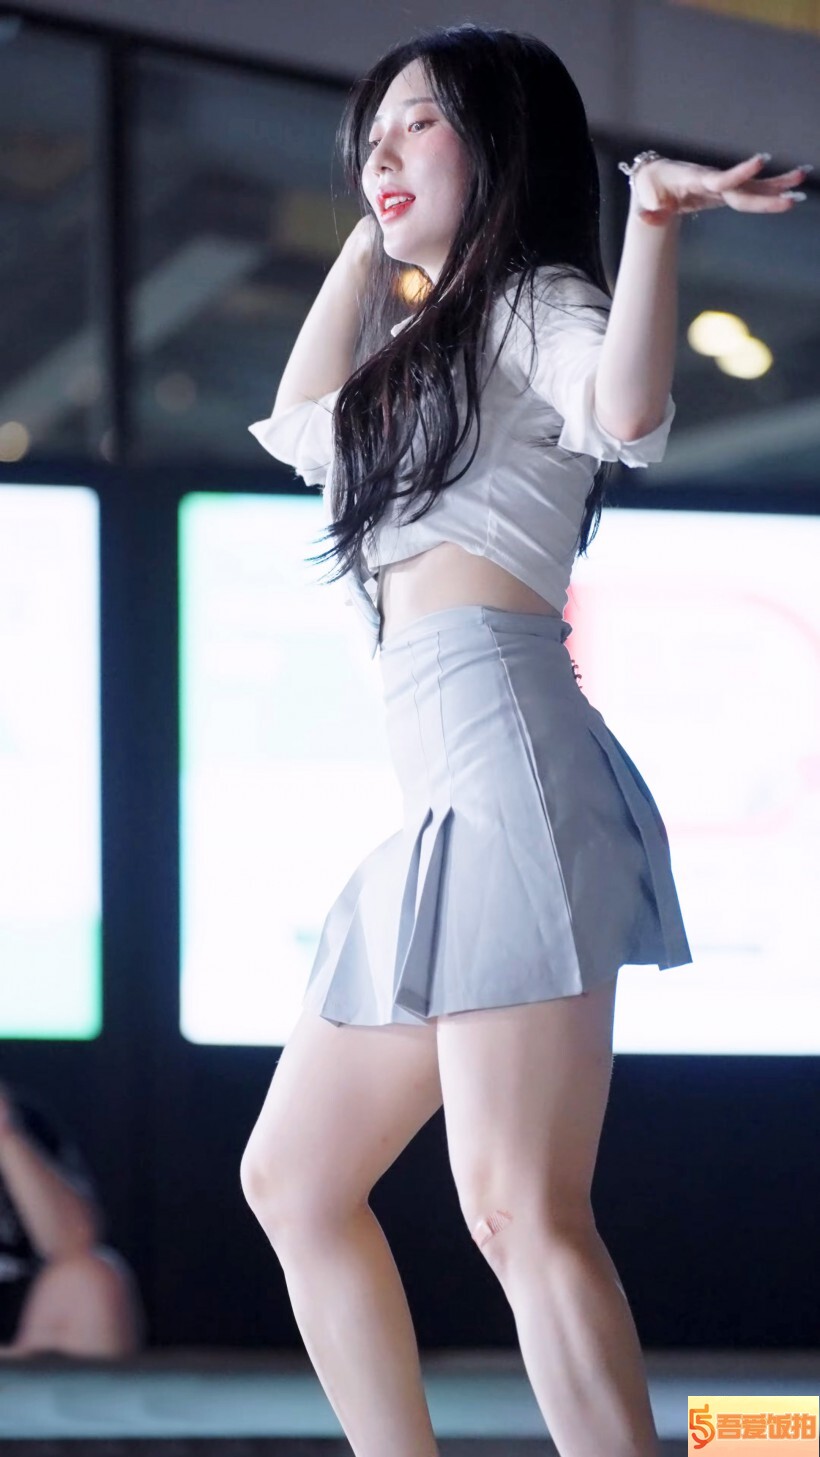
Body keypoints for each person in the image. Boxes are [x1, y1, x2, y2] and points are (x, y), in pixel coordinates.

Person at [243, 23, 808, 1457]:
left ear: (498, 143)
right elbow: (300, 420)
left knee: (517, 1204)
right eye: (369, 136)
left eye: (417, 126)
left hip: (508, 770)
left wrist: (652, 222)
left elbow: (629, 409)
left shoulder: (541, 301)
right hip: (444, 805)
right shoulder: (423, 345)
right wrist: (375, 237)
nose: (381, 153)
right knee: (296, 1179)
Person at [0, 1081, 145, 1359]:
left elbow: (75, 1241)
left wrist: (6, 1133)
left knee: (92, 1280)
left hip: (26, 1356)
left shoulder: (27, 1122)